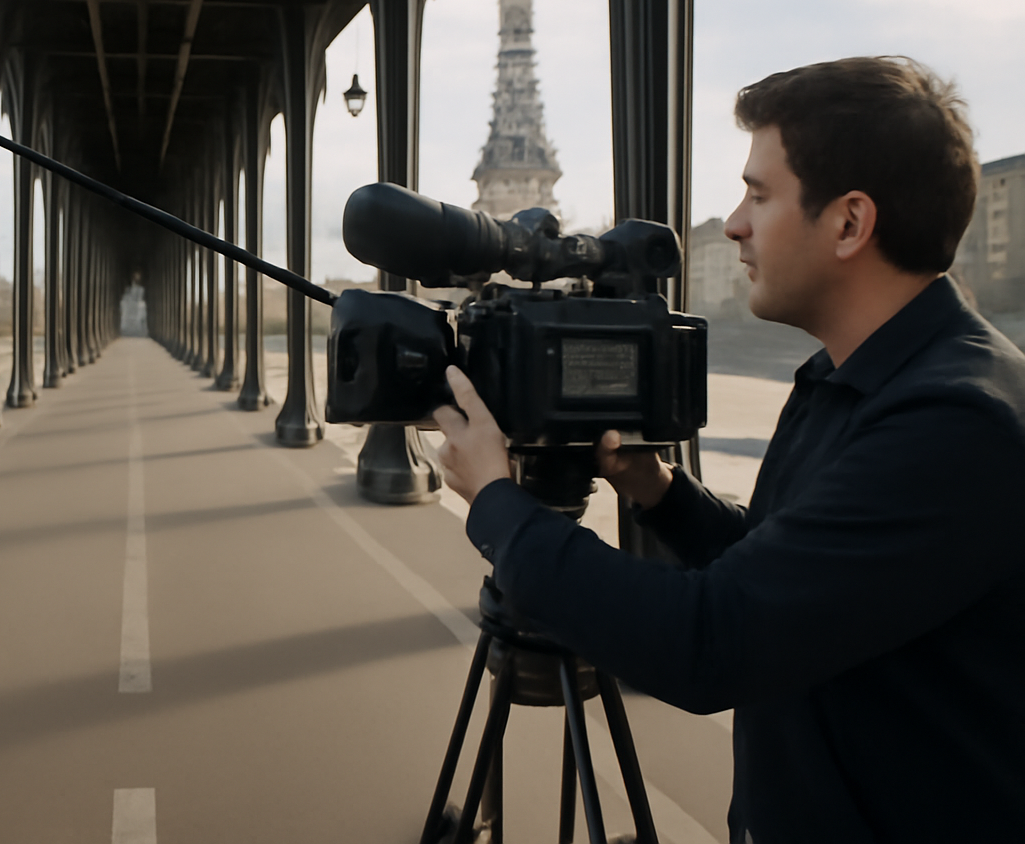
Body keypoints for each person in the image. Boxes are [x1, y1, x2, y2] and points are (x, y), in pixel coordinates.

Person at [434, 56, 1025, 843]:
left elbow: (711, 642)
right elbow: (795, 575)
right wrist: (661, 492)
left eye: (759, 193)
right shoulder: (864, 377)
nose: (737, 223)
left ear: (850, 223)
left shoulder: (956, 421)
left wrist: (497, 505)